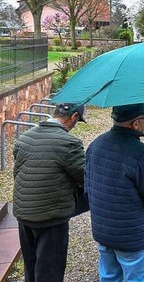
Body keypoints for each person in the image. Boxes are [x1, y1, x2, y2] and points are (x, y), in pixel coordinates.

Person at [85, 103, 144, 282]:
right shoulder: (143, 154)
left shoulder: (95, 145)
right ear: (135, 124)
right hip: (133, 236)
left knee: (109, 278)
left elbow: (88, 187)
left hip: (103, 231)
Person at [12, 103, 87, 282]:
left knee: (31, 266)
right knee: (49, 272)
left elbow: (18, 173)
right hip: (50, 219)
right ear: (74, 117)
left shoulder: (24, 138)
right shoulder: (69, 143)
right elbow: (86, 177)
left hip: (24, 214)